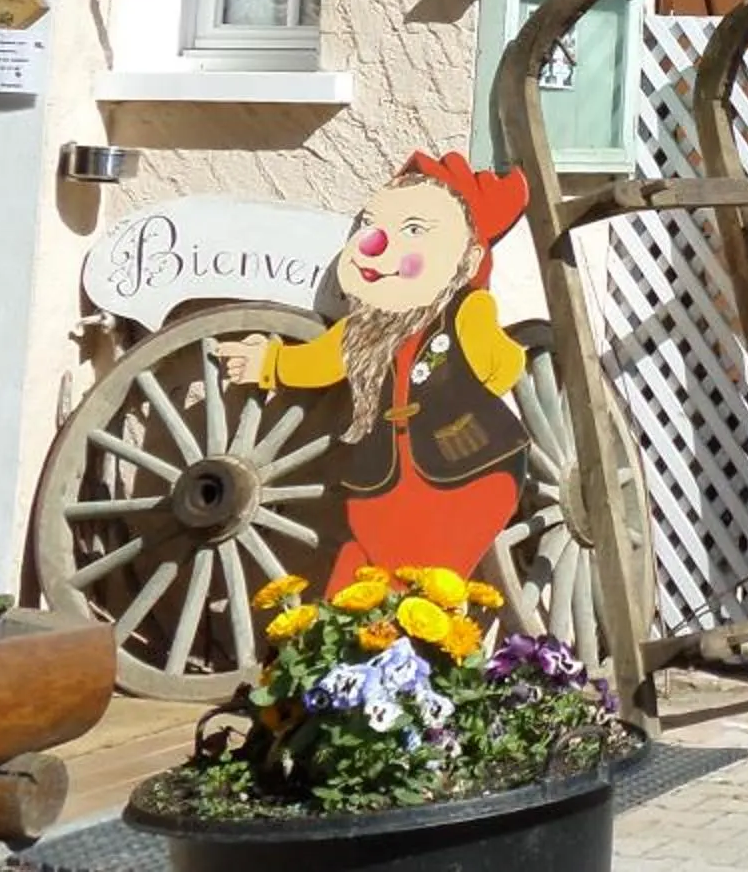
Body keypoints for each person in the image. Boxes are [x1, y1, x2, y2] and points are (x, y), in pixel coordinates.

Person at [213, 152, 533, 593]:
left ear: (469, 257)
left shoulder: (467, 310)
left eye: (415, 231)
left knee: (429, 573)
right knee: (361, 562)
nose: (379, 245)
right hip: (386, 476)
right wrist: (270, 363)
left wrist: (486, 349)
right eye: (373, 226)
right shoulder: (365, 327)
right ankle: (350, 644)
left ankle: (421, 645)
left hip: (469, 468)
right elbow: (322, 361)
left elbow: (501, 368)